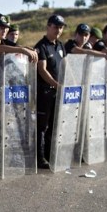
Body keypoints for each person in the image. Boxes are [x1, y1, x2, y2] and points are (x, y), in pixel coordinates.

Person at [34, 14, 66, 169]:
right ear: (48, 26)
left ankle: (50, 154)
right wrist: (56, 84)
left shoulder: (60, 46)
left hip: (57, 93)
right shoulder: (42, 46)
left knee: (54, 125)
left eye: (61, 27)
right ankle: (40, 158)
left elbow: (66, 66)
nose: (58, 30)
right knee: (42, 127)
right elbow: (42, 70)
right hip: (45, 92)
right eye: (55, 27)